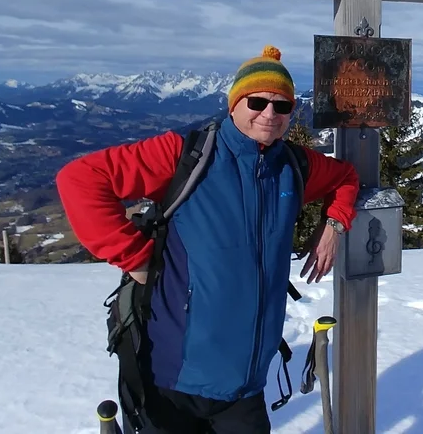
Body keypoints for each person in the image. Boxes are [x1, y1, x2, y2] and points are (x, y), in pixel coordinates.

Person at [57, 45, 360, 433]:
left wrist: (334, 224)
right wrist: (132, 257)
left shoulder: (293, 166)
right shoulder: (186, 156)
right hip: (172, 380)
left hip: (246, 386)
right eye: (257, 102)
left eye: (282, 106)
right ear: (234, 103)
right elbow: (80, 179)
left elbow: (346, 177)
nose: (269, 114)